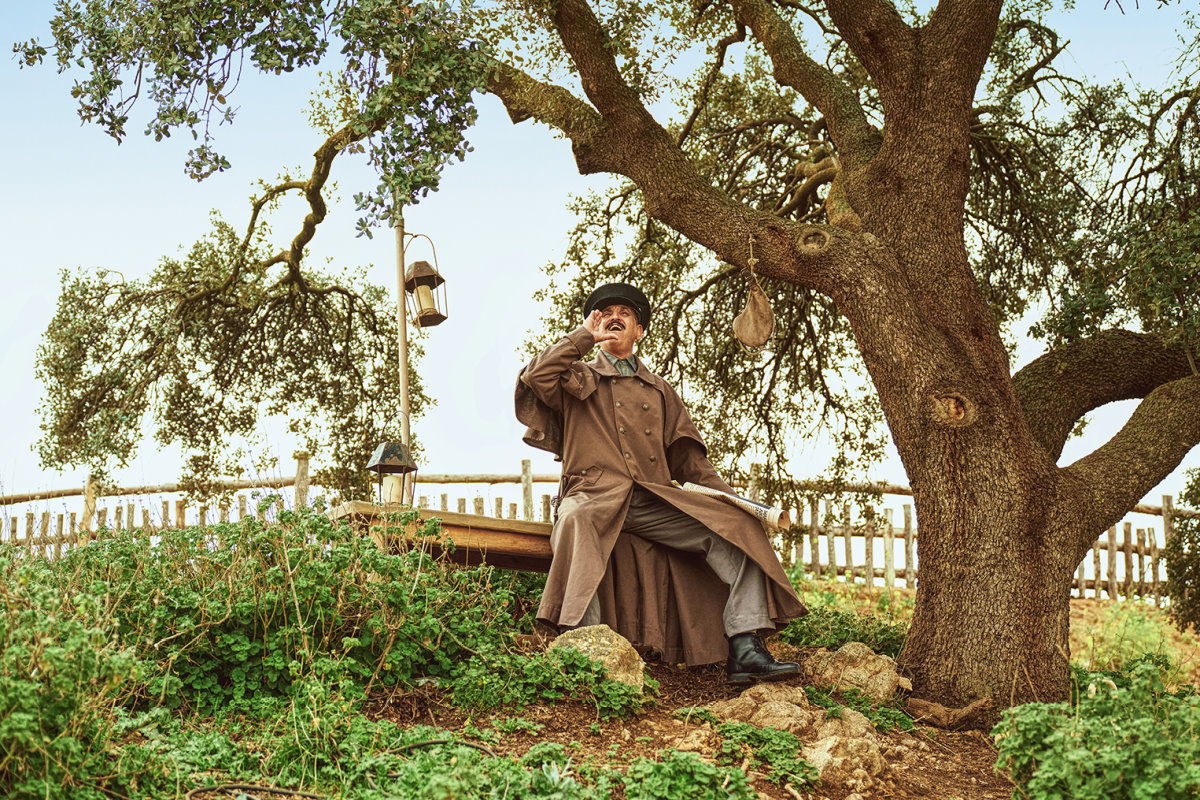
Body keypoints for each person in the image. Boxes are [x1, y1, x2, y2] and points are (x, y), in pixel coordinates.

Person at [515, 282, 806, 684]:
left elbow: (691, 463)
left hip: (652, 499)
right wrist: (584, 337)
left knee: (737, 529)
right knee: (575, 519)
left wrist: (734, 504)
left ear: (640, 331)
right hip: (593, 495)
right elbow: (535, 375)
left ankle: (745, 645)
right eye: (604, 313)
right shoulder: (574, 377)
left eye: (625, 313)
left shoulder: (660, 391)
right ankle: (583, 641)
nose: (614, 317)